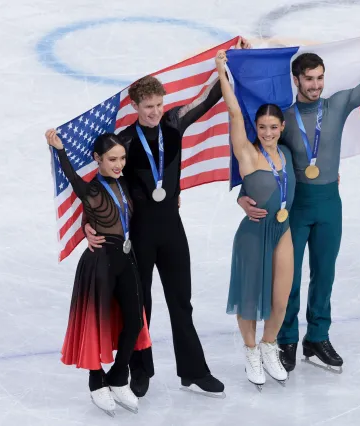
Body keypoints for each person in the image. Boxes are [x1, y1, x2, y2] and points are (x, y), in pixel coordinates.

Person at [238, 19, 360, 373]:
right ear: (296, 80)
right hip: (294, 206)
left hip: (328, 204)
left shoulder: (337, 104)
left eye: (320, 78)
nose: (315, 84)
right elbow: (259, 154)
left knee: (325, 274)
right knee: (289, 278)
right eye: (309, 79)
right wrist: (244, 196)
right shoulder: (284, 118)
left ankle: (317, 337)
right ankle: (288, 338)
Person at [83, 38, 252, 397]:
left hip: (171, 229)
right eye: (148, 107)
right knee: (140, 302)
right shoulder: (125, 141)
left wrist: (226, 64)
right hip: (139, 233)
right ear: (135, 105)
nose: (155, 112)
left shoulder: (174, 122)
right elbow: (98, 182)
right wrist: (89, 224)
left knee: (181, 301)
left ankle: (193, 371)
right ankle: (140, 369)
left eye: (159, 104)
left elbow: (209, 99)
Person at [47, 129, 151, 416]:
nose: (118, 164)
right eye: (112, 159)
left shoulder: (124, 183)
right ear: (97, 159)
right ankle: (96, 382)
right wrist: (60, 150)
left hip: (126, 259)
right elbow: (71, 176)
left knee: (134, 321)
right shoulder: (91, 189)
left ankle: (118, 377)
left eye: (121, 158)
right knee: (95, 323)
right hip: (99, 262)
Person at [215, 50, 295, 389]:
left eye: (273, 127)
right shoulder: (247, 153)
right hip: (253, 233)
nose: (267, 132)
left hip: (282, 230)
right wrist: (223, 71)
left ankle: (268, 345)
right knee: (249, 299)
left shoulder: (287, 152)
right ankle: (250, 352)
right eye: (262, 127)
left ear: (282, 127)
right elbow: (234, 112)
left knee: (280, 299)